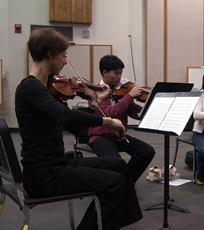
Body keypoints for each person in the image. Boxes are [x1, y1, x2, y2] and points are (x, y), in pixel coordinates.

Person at [15, 28, 142, 230]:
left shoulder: (45, 89)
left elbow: (71, 123)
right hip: (44, 175)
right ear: (50, 54)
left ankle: (113, 223)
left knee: (119, 167)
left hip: (56, 164)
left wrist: (96, 105)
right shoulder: (30, 88)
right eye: (64, 55)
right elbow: (65, 115)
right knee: (114, 184)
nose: (66, 61)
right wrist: (107, 122)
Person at [88, 55, 155, 183]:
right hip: (101, 137)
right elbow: (109, 113)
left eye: (121, 73)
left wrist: (147, 108)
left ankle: (125, 183)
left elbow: (134, 113)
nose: (119, 77)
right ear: (105, 72)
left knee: (146, 151)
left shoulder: (121, 91)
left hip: (119, 135)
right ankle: (123, 185)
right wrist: (129, 96)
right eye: (116, 73)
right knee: (116, 162)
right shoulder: (95, 91)